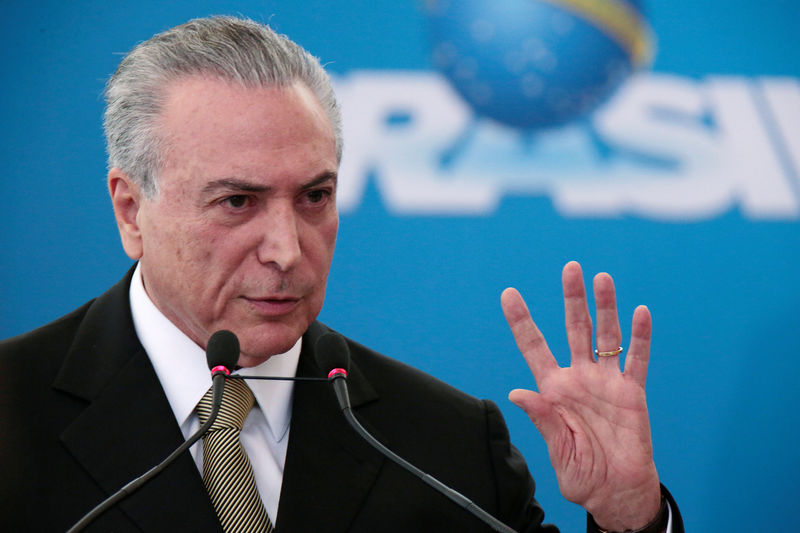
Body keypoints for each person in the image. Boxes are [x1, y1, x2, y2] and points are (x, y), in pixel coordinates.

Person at [0, 16, 682, 533]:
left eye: (314, 197)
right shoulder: (12, 418)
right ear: (130, 210)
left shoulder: (445, 444)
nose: (287, 250)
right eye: (238, 201)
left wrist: (630, 517)